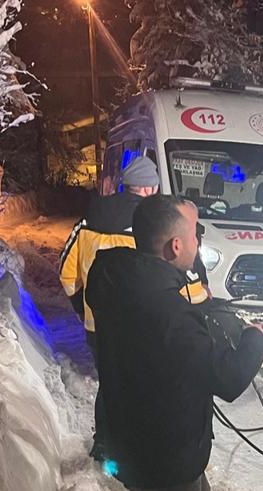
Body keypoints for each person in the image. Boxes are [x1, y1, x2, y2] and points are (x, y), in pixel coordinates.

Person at [86, 195, 263, 491]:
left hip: (139, 428)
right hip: (163, 446)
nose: (197, 240)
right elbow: (227, 379)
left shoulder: (119, 279)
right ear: (172, 247)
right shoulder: (168, 315)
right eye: (193, 233)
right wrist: (253, 341)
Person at [59, 157, 210, 459]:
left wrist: (84, 308)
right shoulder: (153, 227)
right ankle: (139, 451)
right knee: (145, 387)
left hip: (99, 325)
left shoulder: (89, 219)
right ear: (151, 188)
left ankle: (104, 445)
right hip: (147, 326)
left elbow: (66, 273)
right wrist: (203, 295)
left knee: (111, 383)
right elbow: (181, 281)